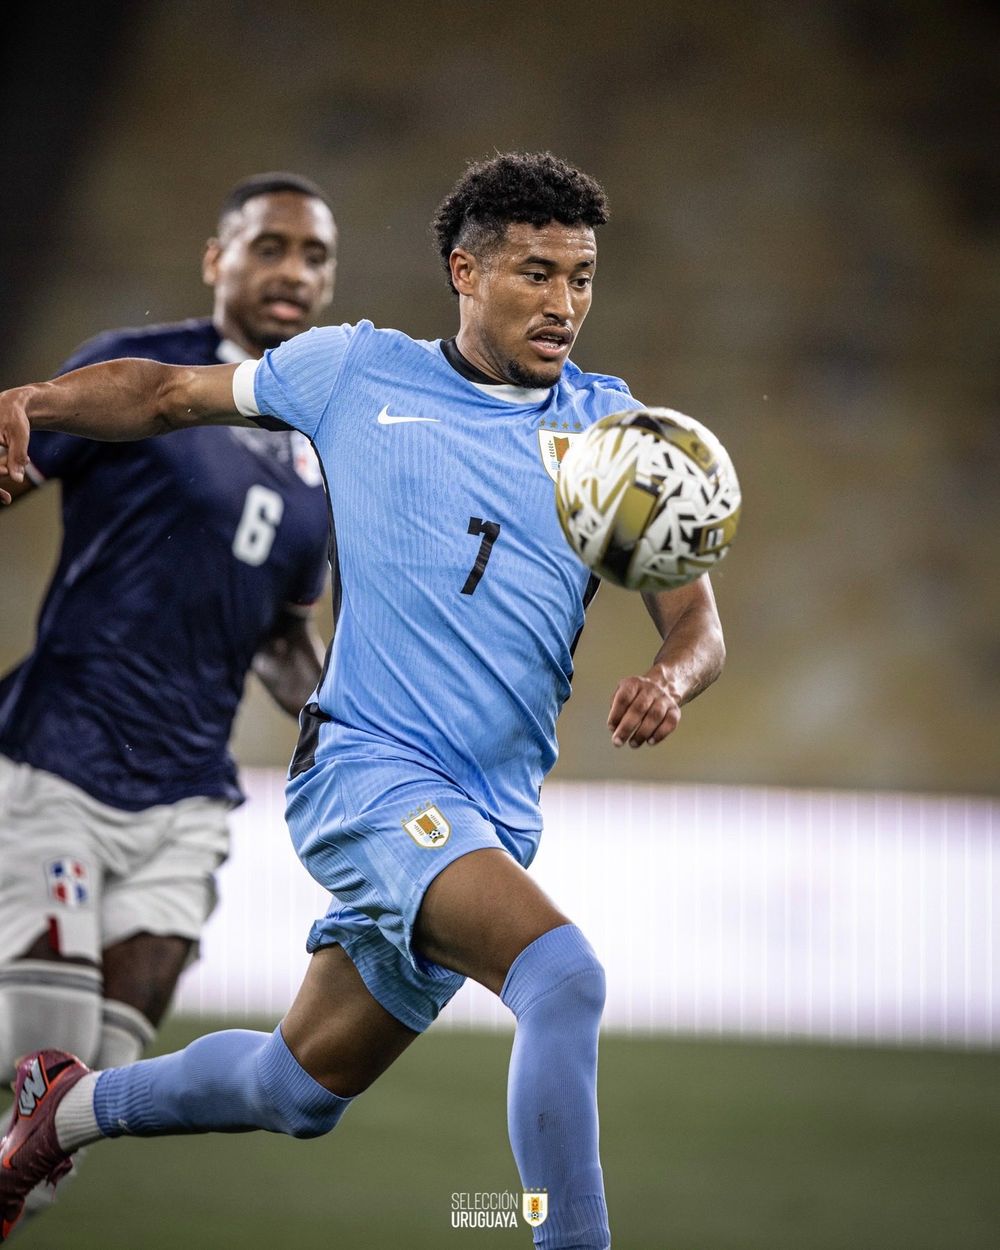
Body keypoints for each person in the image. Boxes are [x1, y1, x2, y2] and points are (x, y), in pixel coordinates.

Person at [0, 151, 725, 1250]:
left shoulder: (614, 434)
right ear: (465, 270)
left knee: (299, 1090)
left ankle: (64, 1108)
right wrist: (31, 399)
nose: (564, 304)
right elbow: (160, 393)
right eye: (536, 273)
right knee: (562, 975)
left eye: (581, 277)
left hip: (491, 815)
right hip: (370, 775)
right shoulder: (353, 373)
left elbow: (699, 623)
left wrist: (669, 677)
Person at [0, 174, 337, 1216]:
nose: (292, 271)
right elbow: (18, 450)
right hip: (61, 758)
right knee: (35, 1087)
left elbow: (281, 632)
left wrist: (339, 718)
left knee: (61, 1140)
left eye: (315, 254)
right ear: (215, 259)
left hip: (189, 799)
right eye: (269, 245)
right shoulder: (133, 371)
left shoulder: (322, 446)